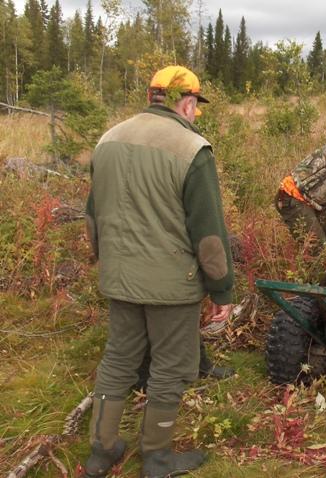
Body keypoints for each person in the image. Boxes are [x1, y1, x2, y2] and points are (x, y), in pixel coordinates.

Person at [83, 65, 234, 478]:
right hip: (172, 285)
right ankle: (158, 459)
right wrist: (222, 291)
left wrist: (107, 262)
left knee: (118, 359)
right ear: (187, 102)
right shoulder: (192, 149)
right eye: (195, 106)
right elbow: (209, 236)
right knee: (171, 367)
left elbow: (92, 217)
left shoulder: (108, 140)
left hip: (119, 277)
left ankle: (102, 451)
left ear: (152, 97)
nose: (194, 114)